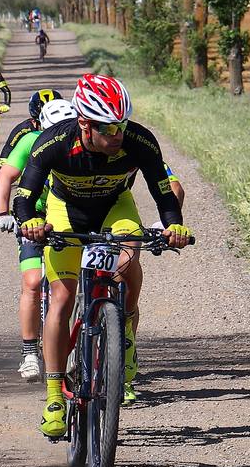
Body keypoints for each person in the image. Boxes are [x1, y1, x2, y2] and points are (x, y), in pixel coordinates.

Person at [14, 74, 192, 438]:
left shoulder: (139, 140)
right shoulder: (55, 142)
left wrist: (173, 225)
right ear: (84, 123)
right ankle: (54, 396)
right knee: (61, 298)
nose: (117, 136)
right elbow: (25, 194)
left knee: (128, 260)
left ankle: (122, 330)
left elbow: (162, 189)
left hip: (115, 207)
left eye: (122, 126)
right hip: (67, 211)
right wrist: (29, 221)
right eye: (108, 128)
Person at [0, 97, 78, 382]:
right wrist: (2, 212)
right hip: (34, 217)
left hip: (68, 217)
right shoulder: (29, 141)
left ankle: (81, 345)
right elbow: (6, 177)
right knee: (32, 282)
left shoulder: (80, 144)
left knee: (73, 285)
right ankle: (29, 352)